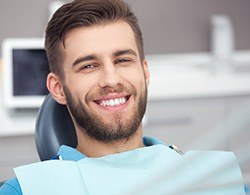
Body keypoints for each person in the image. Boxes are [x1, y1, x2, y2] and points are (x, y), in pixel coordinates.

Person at [0, 0, 246, 194]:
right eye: (88, 66)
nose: (111, 79)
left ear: (145, 71)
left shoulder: (215, 179)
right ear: (58, 88)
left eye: (123, 60)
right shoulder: (26, 189)